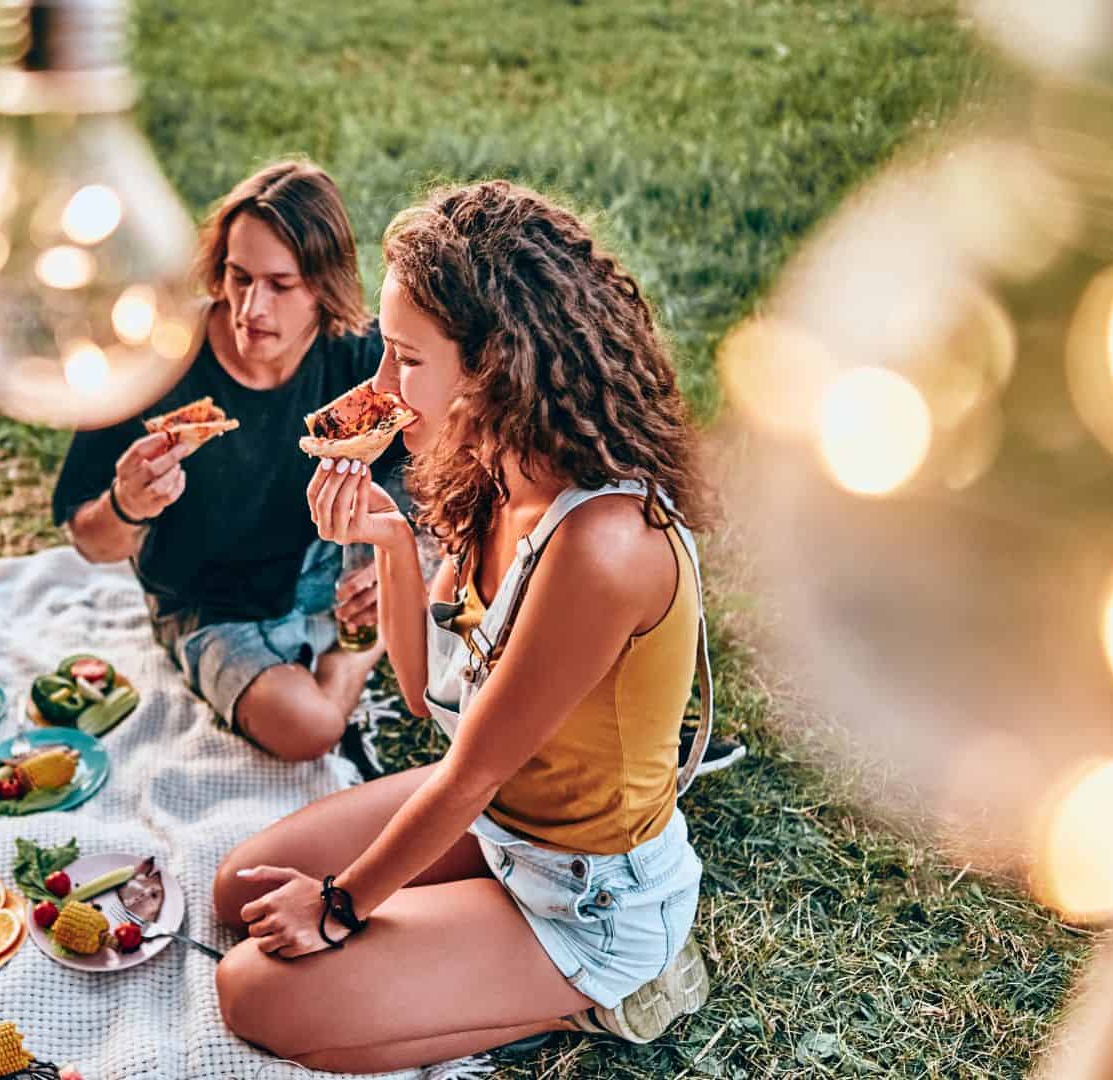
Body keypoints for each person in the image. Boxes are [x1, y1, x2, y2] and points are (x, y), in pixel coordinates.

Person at [212, 181, 717, 1070]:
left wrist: (338, 906)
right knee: (237, 892)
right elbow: (426, 696)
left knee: (252, 988)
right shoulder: (492, 468)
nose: (380, 387)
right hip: (496, 826)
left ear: (494, 368)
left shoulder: (603, 546)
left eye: (404, 360)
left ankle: (615, 991)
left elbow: (471, 772)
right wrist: (385, 544)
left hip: (585, 895)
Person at [51, 160, 402, 761]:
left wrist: (396, 559)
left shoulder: (359, 357)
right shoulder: (154, 358)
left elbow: (428, 474)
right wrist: (126, 505)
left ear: (324, 285)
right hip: (209, 599)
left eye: (279, 284)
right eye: (239, 278)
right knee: (310, 729)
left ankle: (369, 630)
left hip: (323, 565)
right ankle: (361, 653)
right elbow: (89, 539)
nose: (251, 308)